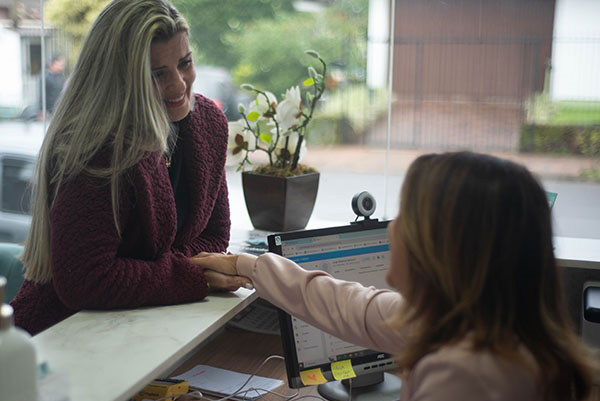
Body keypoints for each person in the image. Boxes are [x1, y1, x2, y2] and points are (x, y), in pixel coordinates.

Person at [195, 151, 597, 401]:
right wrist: (245, 265)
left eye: (407, 215)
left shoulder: (464, 374)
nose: (391, 227)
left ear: (444, 252)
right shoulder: (475, 328)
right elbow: (344, 303)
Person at [10, 0, 250, 336]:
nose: (179, 85)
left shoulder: (208, 122)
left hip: (142, 330)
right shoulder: (99, 147)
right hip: (60, 338)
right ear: (119, 80)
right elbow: (87, 280)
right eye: (156, 74)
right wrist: (188, 276)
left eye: (184, 63)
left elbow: (214, 236)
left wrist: (158, 274)